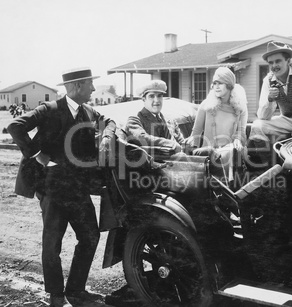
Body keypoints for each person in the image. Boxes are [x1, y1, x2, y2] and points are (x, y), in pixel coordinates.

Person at [7, 67, 116, 307]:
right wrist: (37, 154)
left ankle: (75, 291)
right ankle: (56, 296)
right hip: (51, 185)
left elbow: (108, 121)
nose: (94, 89)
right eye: (90, 84)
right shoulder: (49, 110)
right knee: (52, 242)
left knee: (90, 236)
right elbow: (15, 126)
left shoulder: (88, 111)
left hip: (77, 187)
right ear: (77, 86)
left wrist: (107, 135)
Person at [186, 67, 248, 184]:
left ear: (229, 85)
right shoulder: (207, 105)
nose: (217, 86)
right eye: (214, 83)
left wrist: (238, 140)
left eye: (221, 83)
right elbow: (196, 133)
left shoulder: (240, 107)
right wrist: (193, 158)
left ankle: (229, 188)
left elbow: (241, 131)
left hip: (229, 152)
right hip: (208, 153)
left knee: (232, 152)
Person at [125, 80, 185, 153]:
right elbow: (142, 138)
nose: (156, 100)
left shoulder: (170, 120)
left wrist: (188, 144)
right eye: (151, 96)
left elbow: (181, 142)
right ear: (144, 99)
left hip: (179, 160)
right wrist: (170, 144)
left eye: (159, 96)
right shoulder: (135, 120)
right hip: (153, 162)